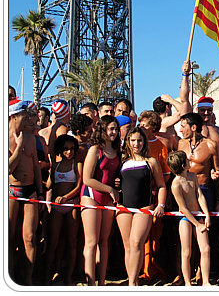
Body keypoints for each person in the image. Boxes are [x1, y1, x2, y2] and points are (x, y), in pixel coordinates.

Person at [116, 127, 167, 286]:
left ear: (144, 142)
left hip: (144, 206)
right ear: (128, 142)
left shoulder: (151, 161)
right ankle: (134, 280)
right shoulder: (122, 161)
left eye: (139, 140)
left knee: (137, 242)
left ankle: (132, 282)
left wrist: (160, 205)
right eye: (132, 140)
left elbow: (161, 185)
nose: (136, 143)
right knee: (128, 246)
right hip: (123, 207)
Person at [79, 115, 121, 285]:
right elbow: (87, 179)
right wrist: (110, 188)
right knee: (91, 241)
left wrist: (116, 184)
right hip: (91, 196)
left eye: (116, 129)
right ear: (102, 130)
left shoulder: (117, 150)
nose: (114, 132)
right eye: (111, 129)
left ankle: (101, 281)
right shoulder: (95, 150)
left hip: (108, 199)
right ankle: (90, 283)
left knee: (104, 241)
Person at [8, 100, 44, 285]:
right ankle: (10, 278)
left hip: (30, 191)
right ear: (14, 116)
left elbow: (36, 168)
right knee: (10, 238)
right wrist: (18, 148)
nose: (28, 117)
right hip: (11, 191)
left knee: (29, 237)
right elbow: (7, 169)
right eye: (24, 114)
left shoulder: (31, 137)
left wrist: (40, 192)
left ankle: (28, 280)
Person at [168, 151, 211, 286]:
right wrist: (196, 224)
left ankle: (205, 281)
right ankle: (187, 282)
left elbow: (199, 195)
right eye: (187, 160)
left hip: (198, 215)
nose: (189, 161)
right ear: (182, 165)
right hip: (185, 218)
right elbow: (183, 208)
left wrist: (206, 214)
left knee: (205, 249)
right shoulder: (176, 184)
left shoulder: (192, 176)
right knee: (186, 251)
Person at [44, 134, 83, 285]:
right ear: (60, 149)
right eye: (66, 149)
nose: (69, 152)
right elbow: (50, 184)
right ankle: (48, 276)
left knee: (72, 241)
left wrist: (66, 197)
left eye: (72, 149)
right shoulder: (55, 165)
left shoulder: (76, 163)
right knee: (53, 241)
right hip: (57, 205)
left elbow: (79, 185)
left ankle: (68, 278)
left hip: (71, 203)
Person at [137, 110, 170, 281]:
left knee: (154, 236)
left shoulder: (161, 146)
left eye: (145, 124)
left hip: (155, 196)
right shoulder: (136, 144)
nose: (141, 127)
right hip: (136, 196)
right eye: (140, 123)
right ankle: (141, 270)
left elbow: (165, 174)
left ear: (153, 127)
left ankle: (152, 270)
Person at [176, 112, 219, 213]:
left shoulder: (210, 145)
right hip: (185, 188)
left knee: (204, 225)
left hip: (203, 189)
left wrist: (218, 200)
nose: (180, 130)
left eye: (183, 126)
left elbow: (218, 172)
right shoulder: (181, 144)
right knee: (185, 223)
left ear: (193, 127)